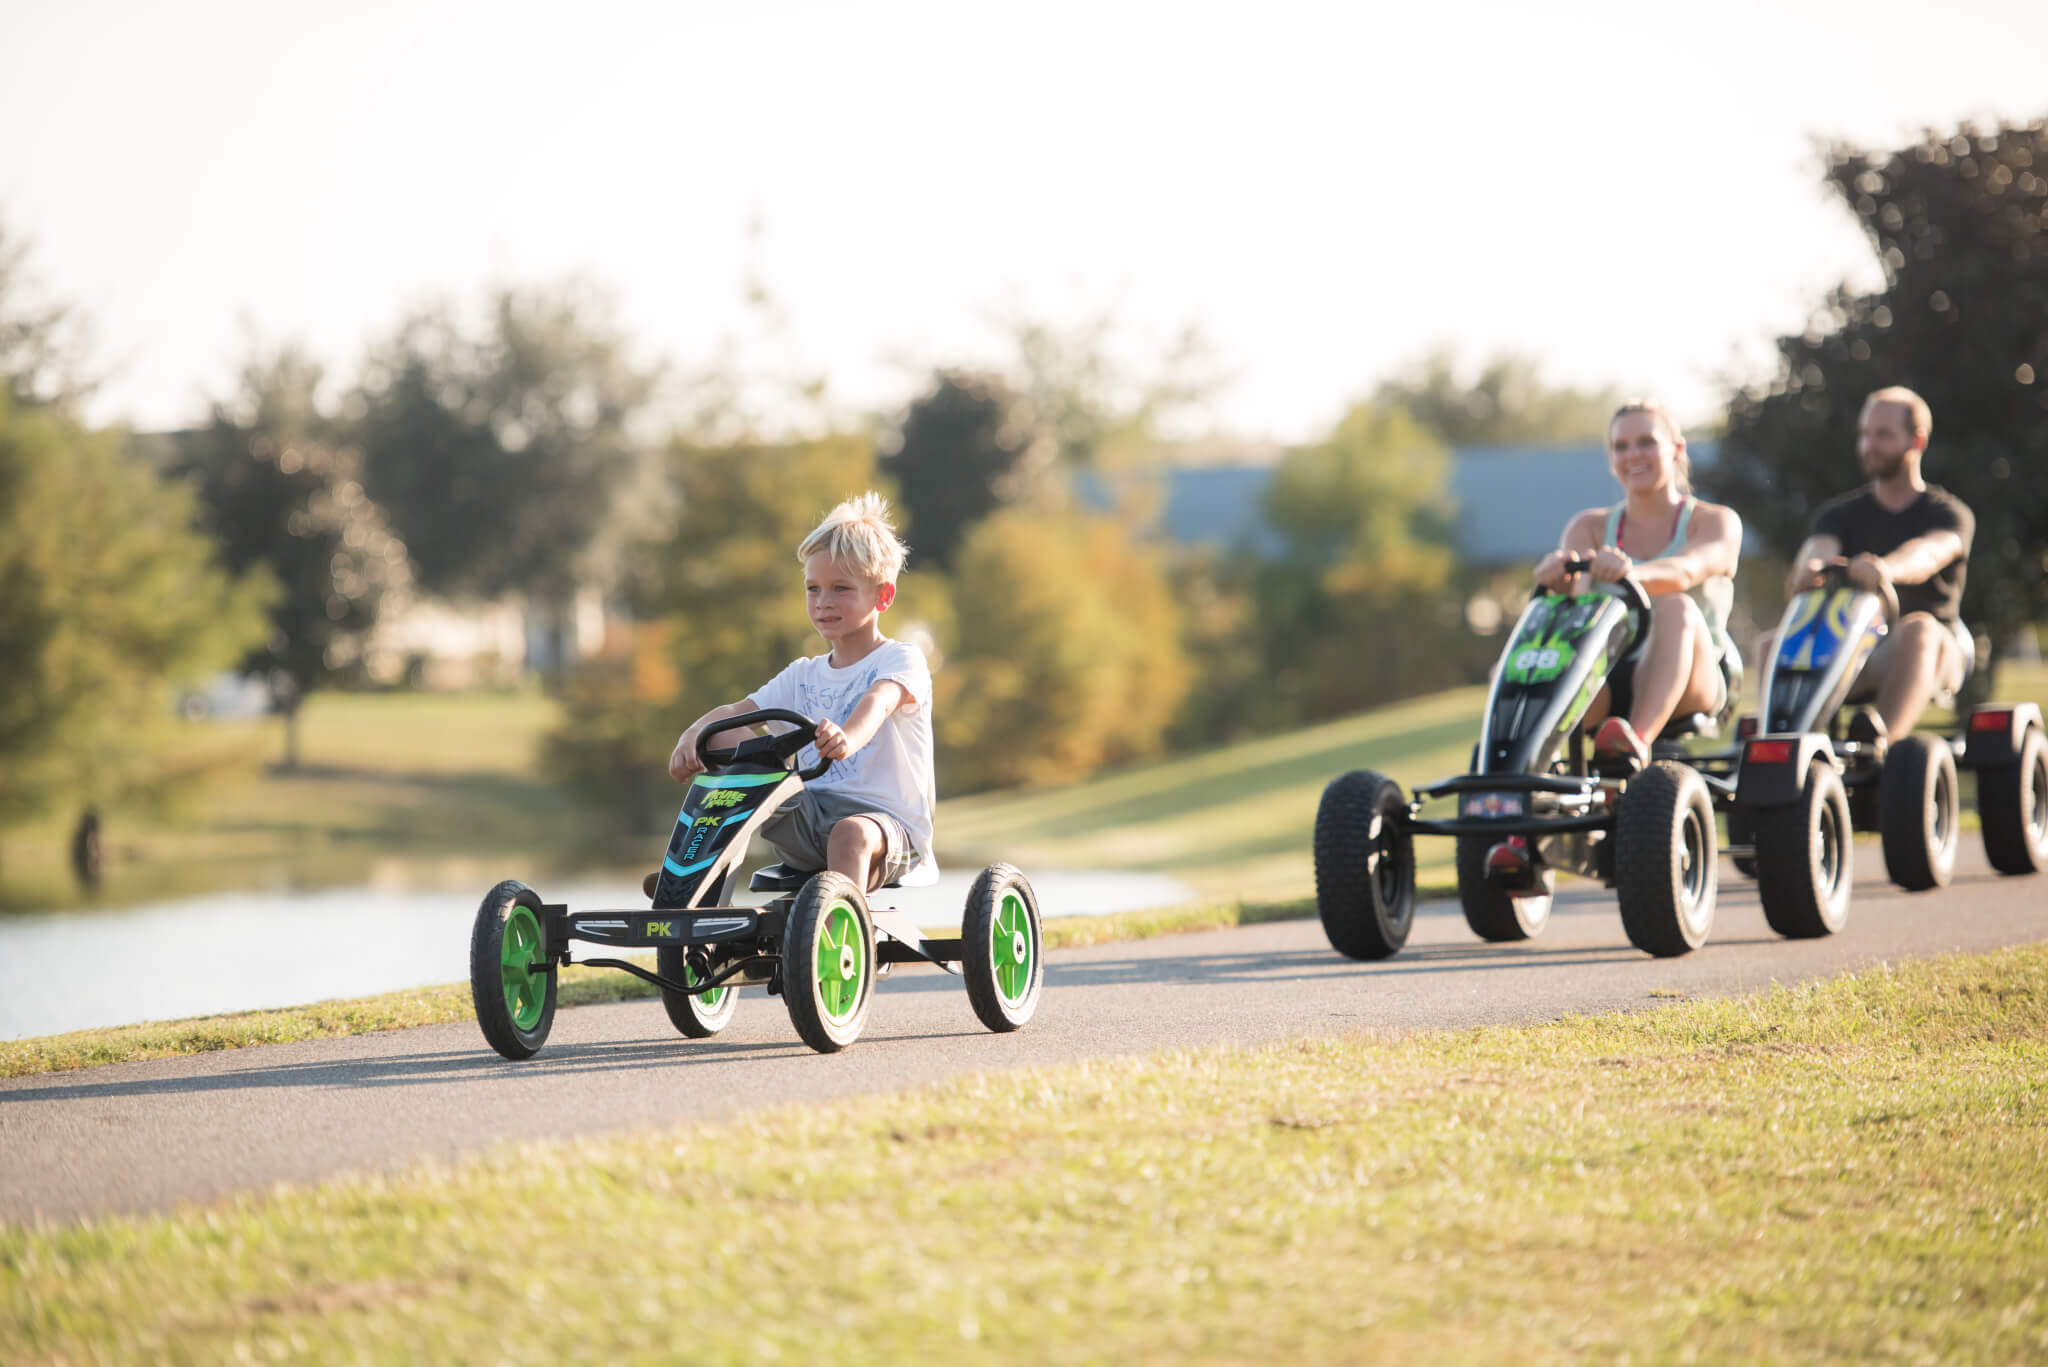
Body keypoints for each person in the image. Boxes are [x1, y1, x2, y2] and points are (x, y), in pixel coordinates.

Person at [654, 492, 936, 897]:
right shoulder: (803, 675)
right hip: (809, 821)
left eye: (841, 589)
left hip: (884, 832)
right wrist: (692, 735)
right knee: (725, 740)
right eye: (813, 589)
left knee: (849, 833)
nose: (823, 603)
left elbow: (879, 702)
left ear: (883, 596)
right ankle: (694, 885)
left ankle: (842, 928)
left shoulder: (900, 659)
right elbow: (737, 711)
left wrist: (848, 737)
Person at [1533, 400, 1744, 773]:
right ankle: (1522, 772)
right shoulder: (1589, 526)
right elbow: (1572, 597)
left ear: (1676, 449)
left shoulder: (1714, 521)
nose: (1633, 455)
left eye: (1646, 442)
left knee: (1676, 606)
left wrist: (1627, 573)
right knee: (1551, 627)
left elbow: (1684, 571)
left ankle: (1634, 747)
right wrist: (1558, 577)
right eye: (1621, 446)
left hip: (1692, 678)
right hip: (1604, 678)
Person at [1783, 385, 1974, 747]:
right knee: (1771, 644)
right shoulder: (1838, 515)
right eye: (1865, 435)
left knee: (1919, 630)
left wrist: (1885, 569)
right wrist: (1809, 570)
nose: (1869, 445)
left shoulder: (1948, 513)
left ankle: (1884, 748)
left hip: (1938, 651)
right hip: (1855, 648)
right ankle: (1786, 751)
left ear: (1916, 441)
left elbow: (1929, 553)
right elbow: (1817, 551)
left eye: (1883, 435)